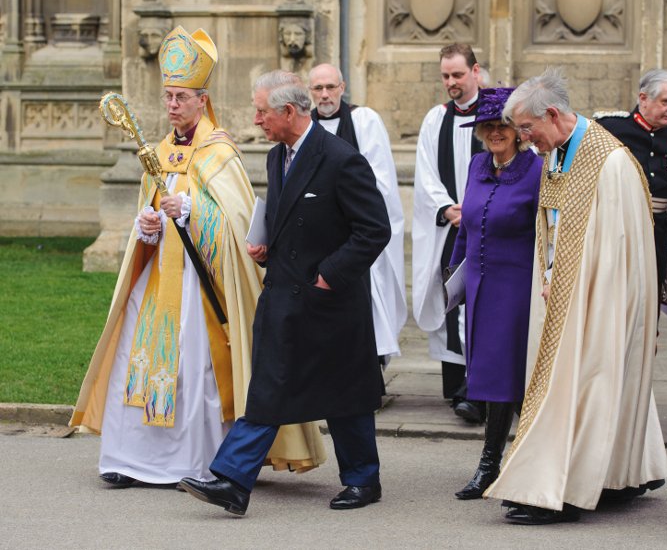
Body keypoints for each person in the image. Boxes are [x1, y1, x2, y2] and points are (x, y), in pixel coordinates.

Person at [69, 27, 324, 487]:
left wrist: (191, 212)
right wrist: (146, 226)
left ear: (202, 101)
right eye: (167, 96)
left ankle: (193, 463)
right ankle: (130, 459)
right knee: (138, 361)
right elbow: (148, 211)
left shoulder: (220, 153)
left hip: (199, 285)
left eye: (181, 97)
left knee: (194, 370)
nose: (172, 105)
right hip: (157, 280)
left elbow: (237, 226)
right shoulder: (158, 153)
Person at [180, 70, 391, 515]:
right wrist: (266, 248)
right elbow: (288, 221)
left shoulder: (341, 159)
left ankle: (363, 480)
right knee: (268, 388)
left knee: (346, 395)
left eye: (262, 112)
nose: (256, 120)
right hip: (283, 298)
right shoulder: (277, 157)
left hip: (330, 302)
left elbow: (374, 229)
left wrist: (328, 276)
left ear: (289, 112)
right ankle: (233, 481)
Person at [483, 68, 667, 525]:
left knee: (586, 384)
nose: (524, 138)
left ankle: (562, 491)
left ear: (552, 114)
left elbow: (619, 250)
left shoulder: (610, 162)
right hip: (558, 291)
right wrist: (550, 273)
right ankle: (597, 477)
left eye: (527, 128)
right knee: (565, 385)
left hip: (599, 298)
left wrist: (577, 287)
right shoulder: (556, 153)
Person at [448, 87, 542, 500]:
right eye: (486, 126)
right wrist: (453, 275)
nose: (494, 133)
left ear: (518, 129)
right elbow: (467, 226)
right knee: (489, 377)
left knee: (508, 377)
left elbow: (548, 233)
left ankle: (495, 465)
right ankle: (520, 461)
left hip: (517, 288)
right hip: (479, 287)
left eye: (502, 125)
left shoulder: (536, 170)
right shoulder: (477, 165)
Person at [308, 63, 406, 367]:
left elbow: (381, 179)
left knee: (368, 306)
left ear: (342, 87)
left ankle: (371, 367)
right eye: (318, 88)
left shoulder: (365, 121)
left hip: (359, 232)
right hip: (321, 237)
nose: (325, 95)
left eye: (330, 87)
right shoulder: (306, 126)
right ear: (310, 92)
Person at [412, 42, 485, 423]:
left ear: (475, 71)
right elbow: (424, 171)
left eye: (458, 74)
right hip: (452, 226)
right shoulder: (435, 119)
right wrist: (446, 207)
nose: (451, 82)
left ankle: (480, 385)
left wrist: (476, 208)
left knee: (483, 303)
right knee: (451, 297)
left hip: (488, 225)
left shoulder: (495, 115)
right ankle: (458, 384)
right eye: (445, 76)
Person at [596, 69, 667, 309]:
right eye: (666, 101)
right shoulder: (610, 128)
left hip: (658, 230)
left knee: (650, 300)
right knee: (616, 298)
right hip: (619, 226)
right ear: (643, 98)